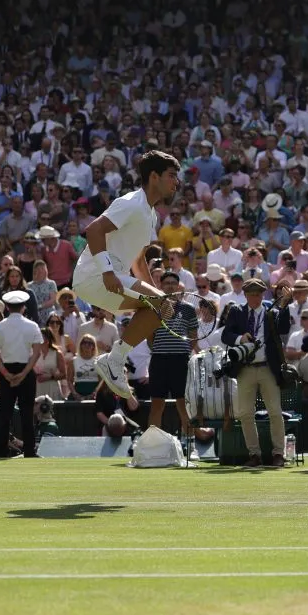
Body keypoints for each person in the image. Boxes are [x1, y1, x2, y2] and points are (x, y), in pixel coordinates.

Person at [72, 151, 181, 399]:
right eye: (171, 175)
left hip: (109, 280)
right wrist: (108, 271)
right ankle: (113, 361)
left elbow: (139, 261)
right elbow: (93, 230)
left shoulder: (150, 214)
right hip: (96, 277)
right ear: (154, 177)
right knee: (162, 307)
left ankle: (114, 360)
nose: (176, 182)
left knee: (162, 308)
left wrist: (158, 293)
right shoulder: (131, 202)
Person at [220, 278, 292, 467]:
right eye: (251, 294)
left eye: (258, 294)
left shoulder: (272, 312)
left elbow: (284, 328)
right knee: (245, 413)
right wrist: (240, 338)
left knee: (275, 412)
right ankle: (254, 454)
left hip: (268, 367)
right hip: (246, 368)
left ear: (263, 294)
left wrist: (285, 306)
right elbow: (225, 335)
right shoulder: (237, 311)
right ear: (245, 295)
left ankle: (278, 454)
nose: (255, 297)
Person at [0, 290, 43, 457]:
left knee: (5, 413)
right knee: (27, 413)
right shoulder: (32, 326)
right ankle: (29, 451)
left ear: (8, 307)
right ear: (23, 307)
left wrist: (5, 373)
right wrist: (24, 373)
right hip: (24, 371)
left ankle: (2, 450)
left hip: (6, 372)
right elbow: (37, 352)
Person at [147, 271, 198, 432]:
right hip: (159, 361)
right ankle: (152, 445)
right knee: (156, 404)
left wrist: (181, 352)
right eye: (167, 283)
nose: (170, 285)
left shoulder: (189, 309)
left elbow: (193, 337)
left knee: (183, 404)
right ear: (161, 286)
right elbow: (150, 337)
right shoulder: (154, 307)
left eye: (173, 283)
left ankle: (190, 446)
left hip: (180, 361)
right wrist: (160, 349)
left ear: (178, 286)